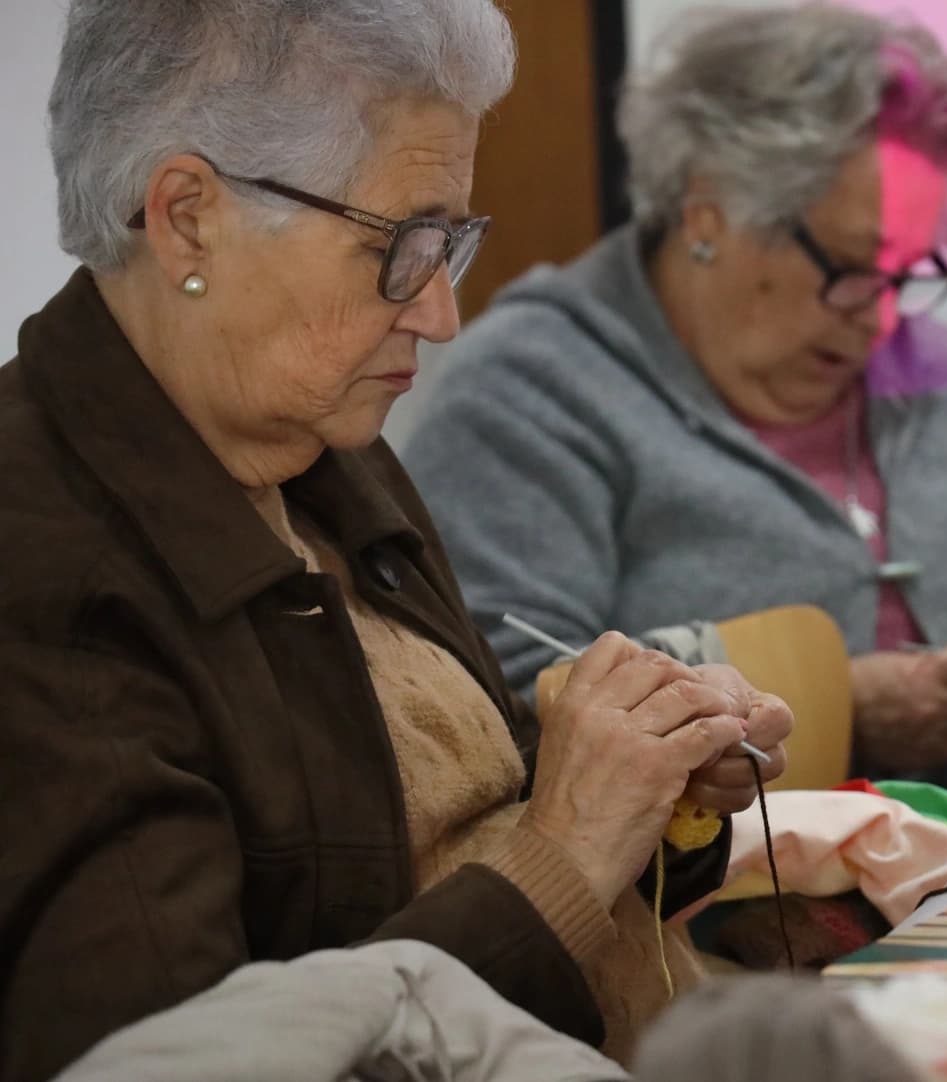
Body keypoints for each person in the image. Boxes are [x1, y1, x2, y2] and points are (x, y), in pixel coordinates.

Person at [0, 3, 790, 1077]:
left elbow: (459, 806)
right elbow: (174, 1055)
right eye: (403, 245)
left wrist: (654, 782)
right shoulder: (38, 564)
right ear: (187, 218)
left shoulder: (322, 442)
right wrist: (564, 853)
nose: (439, 314)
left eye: (453, 242)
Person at [403, 4, 947, 803]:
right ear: (707, 215)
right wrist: (837, 716)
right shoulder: (536, 390)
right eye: (847, 266)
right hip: (719, 913)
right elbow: (505, 712)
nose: (878, 319)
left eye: (905, 273)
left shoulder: (943, 375)